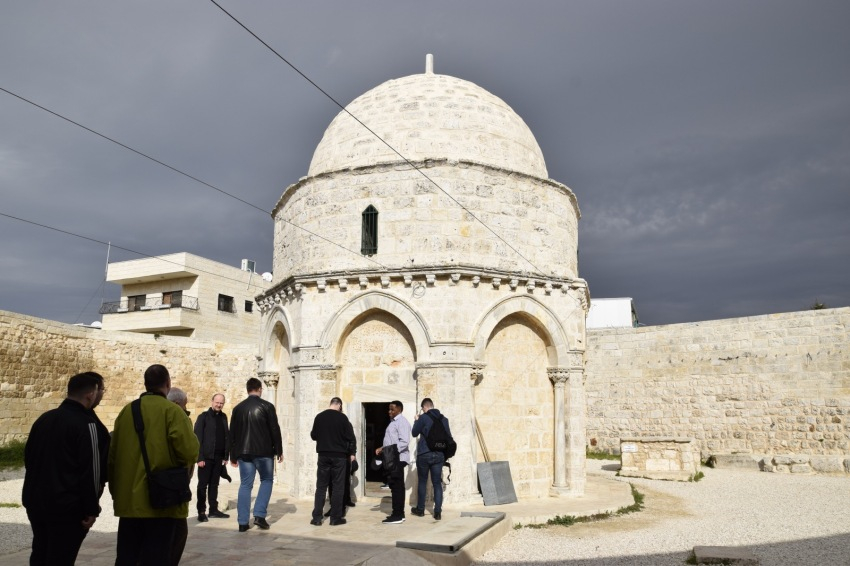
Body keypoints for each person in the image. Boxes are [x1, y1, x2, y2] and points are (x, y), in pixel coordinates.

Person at [108, 364, 199, 566]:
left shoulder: (126, 412)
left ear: (145, 384)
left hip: (130, 502)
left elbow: (113, 457)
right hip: (162, 502)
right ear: (168, 383)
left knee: (127, 557)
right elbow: (190, 452)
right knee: (157, 557)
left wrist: (116, 493)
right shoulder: (173, 412)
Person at [22, 371, 109, 566]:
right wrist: (91, 508)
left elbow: (29, 459)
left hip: (36, 502)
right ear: (91, 394)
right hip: (68, 508)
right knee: (61, 557)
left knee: (40, 553)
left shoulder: (44, 419)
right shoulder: (87, 424)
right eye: (102, 390)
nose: (102, 395)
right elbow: (92, 470)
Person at [229, 377, 283, 532]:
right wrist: (279, 450)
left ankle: (242, 522)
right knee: (267, 480)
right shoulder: (267, 406)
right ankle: (259, 515)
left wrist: (233, 455)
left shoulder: (238, 408)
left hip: (244, 453)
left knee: (245, 485)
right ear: (260, 389)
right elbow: (274, 429)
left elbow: (232, 433)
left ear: (247, 390)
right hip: (264, 452)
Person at [309, 397, 356, 526]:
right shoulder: (343, 418)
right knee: (338, 487)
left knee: (321, 487)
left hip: (323, 455)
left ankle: (317, 518)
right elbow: (350, 437)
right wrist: (352, 453)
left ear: (330, 404)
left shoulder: (319, 417)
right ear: (339, 405)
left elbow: (313, 435)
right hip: (339, 457)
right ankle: (335, 518)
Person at [410, 397, 451, 521]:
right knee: (437, 483)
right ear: (432, 406)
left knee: (422, 481)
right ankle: (437, 512)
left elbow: (414, 433)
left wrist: (416, 420)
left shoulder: (423, 418)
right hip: (439, 455)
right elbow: (449, 437)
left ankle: (420, 510)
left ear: (424, 407)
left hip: (424, 453)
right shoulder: (444, 419)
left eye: (422, 409)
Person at [166, 387, 193, 566]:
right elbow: (189, 452)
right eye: (185, 405)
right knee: (177, 533)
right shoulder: (178, 417)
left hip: (136, 492)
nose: (186, 409)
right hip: (171, 487)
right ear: (177, 404)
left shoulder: (131, 412)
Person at [194, 393, 230, 522]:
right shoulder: (203, 417)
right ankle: (201, 511)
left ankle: (213, 510)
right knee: (202, 485)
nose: (219, 405)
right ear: (212, 402)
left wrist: (226, 456)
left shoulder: (224, 417)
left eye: (221, 403)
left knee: (214, 484)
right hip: (206, 457)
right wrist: (199, 458)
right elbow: (197, 438)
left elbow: (226, 436)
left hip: (218, 457)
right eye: (217, 402)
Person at [374, 400, 411, 524]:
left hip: (398, 458)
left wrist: (389, 450)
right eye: (389, 409)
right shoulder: (393, 422)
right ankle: (399, 514)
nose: (389, 412)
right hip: (393, 457)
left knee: (397, 486)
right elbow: (392, 441)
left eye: (392, 409)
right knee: (395, 486)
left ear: (399, 410)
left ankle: (397, 515)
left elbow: (404, 441)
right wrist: (383, 449)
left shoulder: (402, 422)